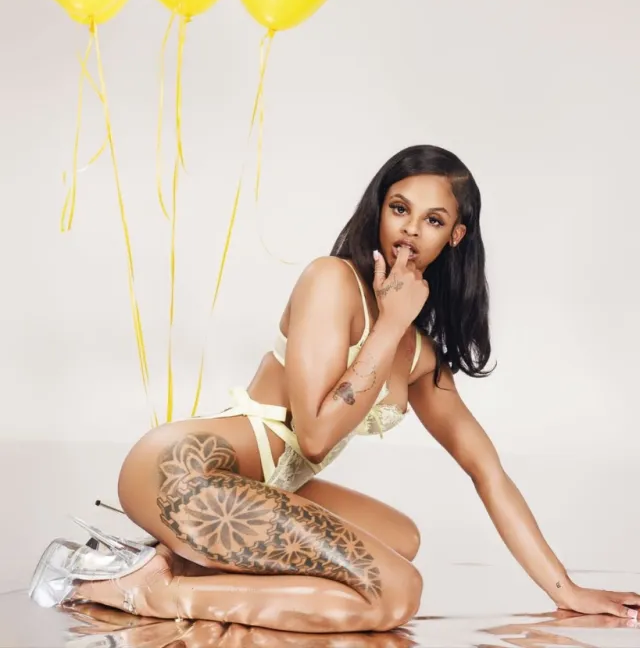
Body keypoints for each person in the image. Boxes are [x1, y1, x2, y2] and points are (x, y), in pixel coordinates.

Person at [29, 145, 640, 633]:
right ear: (379, 209)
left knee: (401, 541)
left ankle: (171, 558)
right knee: (394, 593)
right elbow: (316, 435)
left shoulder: (420, 355)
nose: (410, 230)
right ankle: (148, 590)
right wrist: (391, 322)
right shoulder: (332, 281)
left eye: (433, 220)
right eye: (399, 208)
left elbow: (488, 472)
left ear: (455, 235)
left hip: (258, 487)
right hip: (184, 472)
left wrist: (565, 589)